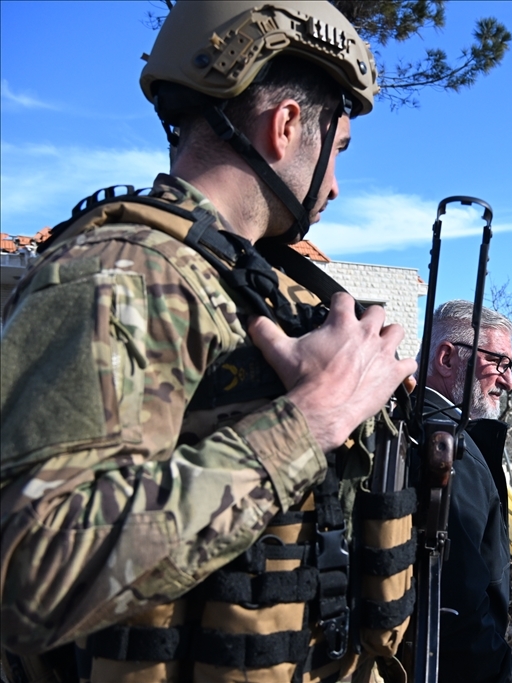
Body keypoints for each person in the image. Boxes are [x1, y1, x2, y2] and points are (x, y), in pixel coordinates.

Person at [0, 2, 417, 682]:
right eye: (337, 149)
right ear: (286, 126)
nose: (336, 186)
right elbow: (27, 575)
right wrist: (312, 420)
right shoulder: (117, 274)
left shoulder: (252, 285)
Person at [421, 300, 512, 683]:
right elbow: (461, 612)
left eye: (510, 367)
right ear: (446, 358)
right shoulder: (449, 452)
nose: (508, 382)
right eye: (498, 363)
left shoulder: (403, 424)